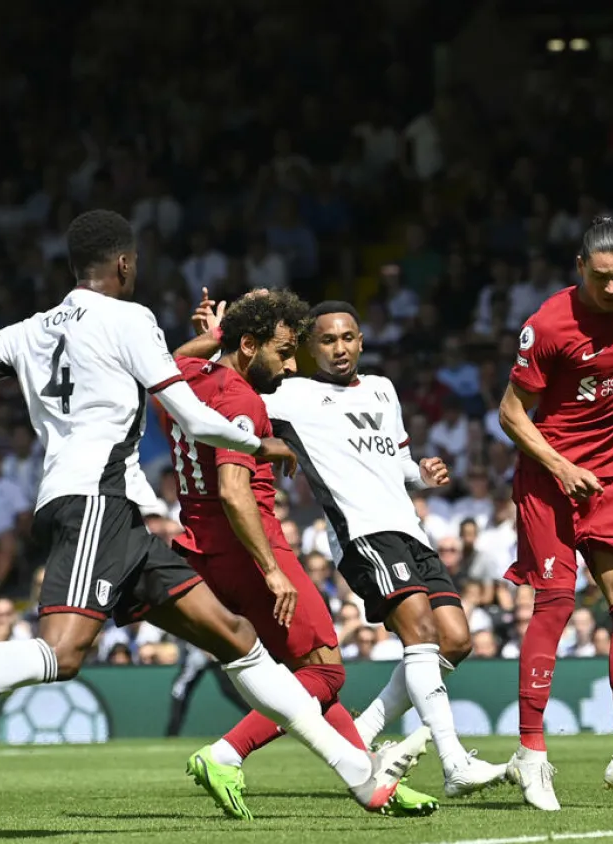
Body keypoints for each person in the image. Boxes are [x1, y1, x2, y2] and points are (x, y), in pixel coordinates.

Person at [0, 210, 425, 813]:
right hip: (95, 502)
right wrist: (256, 441)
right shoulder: (131, 319)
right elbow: (191, 415)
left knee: (237, 638)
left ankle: (361, 778)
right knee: (61, 654)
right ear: (125, 264)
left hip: (118, 513)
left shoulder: (23, 332)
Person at [175, 295, 506, 799]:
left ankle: (366, 735)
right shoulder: (290, 393)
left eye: (348, 337)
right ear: (309, 348)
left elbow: (398, 462)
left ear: (362, 340)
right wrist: (223, 339)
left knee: (455, 640)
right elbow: (206, 383)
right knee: (409, 635)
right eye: (326, 340)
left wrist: (421, 473)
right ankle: (453, 762)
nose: (339, 348)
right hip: (361, 533)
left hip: (408, 528)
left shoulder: (383, 390)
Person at [496, 215, 613, 811]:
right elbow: (511, 414)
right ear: (580, 269)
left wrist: (590, 466)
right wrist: (563, 466)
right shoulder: (548, 324)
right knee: (557, 603)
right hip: (548, 479)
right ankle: (532, 754)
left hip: (610, 478)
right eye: (601, 279)